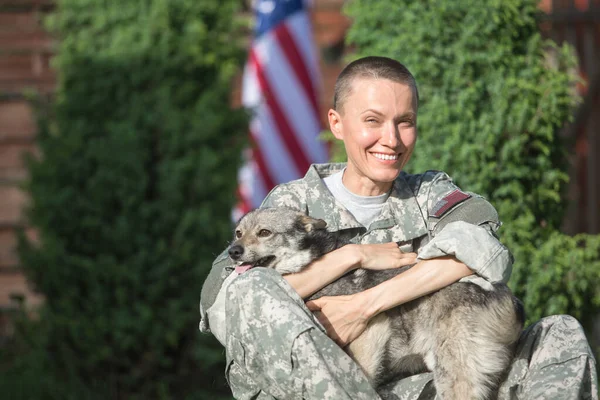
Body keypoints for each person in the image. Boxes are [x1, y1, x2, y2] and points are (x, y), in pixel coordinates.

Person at [200, 56, 598, 399]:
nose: (390, 139)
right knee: (252, 291)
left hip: (423, 379)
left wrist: (363, 305)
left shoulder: (431, 195)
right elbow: (227, 302)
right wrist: (351, 256)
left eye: (404, 122)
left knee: (560, 334)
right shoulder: (288, 208)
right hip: (321, 384)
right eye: (372, 120)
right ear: (337, 124)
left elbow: (484, 251)